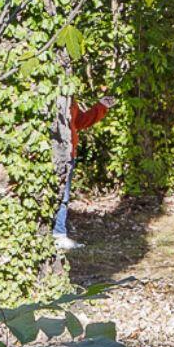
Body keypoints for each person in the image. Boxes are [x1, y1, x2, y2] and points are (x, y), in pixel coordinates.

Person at [54, 94, 111, 250]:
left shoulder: (69, 97)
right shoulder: (56, 96)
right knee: (61, 195)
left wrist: (101, 107)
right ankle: (58, 235)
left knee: (63, 196)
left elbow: (78, 121)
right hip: (58, 153)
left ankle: (58, 234)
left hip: (68, 153)